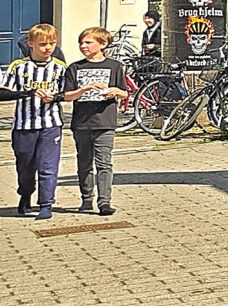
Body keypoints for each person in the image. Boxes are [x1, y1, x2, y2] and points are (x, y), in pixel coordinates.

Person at [59, 27, 132, 218]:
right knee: (84, 163)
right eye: (81, 43)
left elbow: (124, 92)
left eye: (88, 42)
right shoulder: (75, 68)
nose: (83, 46)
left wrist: (115, 91)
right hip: (82, 123)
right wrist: (86, 88)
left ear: (103, 44)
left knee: (104, 163)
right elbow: (67, 96)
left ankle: (104, 202)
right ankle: (86, 198)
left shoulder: (114, 66)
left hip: (105, 122)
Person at [3, 24, 65, 220]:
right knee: (25, 166)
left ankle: (46, 205)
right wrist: (26, 93)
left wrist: (56, 97)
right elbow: (2, 92)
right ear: (30, 44)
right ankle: (25, 193)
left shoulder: (60, 67)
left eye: (52, 44)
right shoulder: (18, 67)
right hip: (24, 126)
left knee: (48, 166)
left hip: (51, 124)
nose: (48, 48)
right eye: (43, 44)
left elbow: (68, 93)